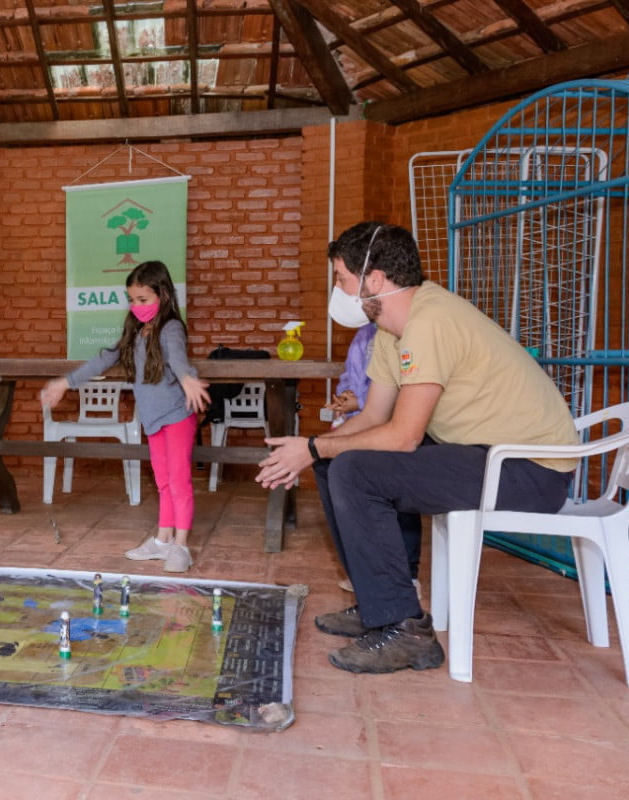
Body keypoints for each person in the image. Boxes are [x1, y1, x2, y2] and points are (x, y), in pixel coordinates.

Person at [255, 221, 578, 675]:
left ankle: (405, 630)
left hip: (532, 470)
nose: (339, 290)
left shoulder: (430, 321)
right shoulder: (391, 331)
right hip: (485, 454)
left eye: (341, 279)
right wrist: (311, 447)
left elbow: (403, 437)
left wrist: (312, 449)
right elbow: (371, 419)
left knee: (353, 470)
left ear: (374, 279)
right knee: (339, 460)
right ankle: (380, 602)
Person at [42, 261, 210, 573]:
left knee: (178, 480)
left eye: (143, 300)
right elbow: (105, 358)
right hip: (153, 418)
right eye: (131, 300)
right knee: (162, 481)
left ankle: (181, 546)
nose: (136, 306)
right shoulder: (134, 330)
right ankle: (162, 540)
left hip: (176, 415)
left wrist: (187, 378)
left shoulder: (171, 328)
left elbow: (176, 357)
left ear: (164, 295)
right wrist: (65, 383)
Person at [326, 322, 424, 596]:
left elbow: (399, 389)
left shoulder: (403, 333)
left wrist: (361, 403)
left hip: (392, 427)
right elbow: (350, 375)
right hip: (359, 423)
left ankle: (407, 574)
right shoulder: (363, 335)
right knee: (352, 497)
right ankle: (363, 571)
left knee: (399, 504)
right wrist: (345, 397)